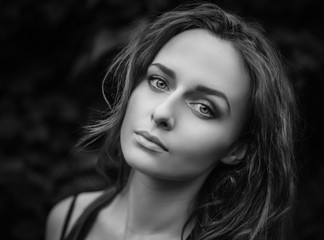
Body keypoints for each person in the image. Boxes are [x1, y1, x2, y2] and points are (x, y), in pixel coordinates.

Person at [46, 2, 298, 240]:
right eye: (159, 82)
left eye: (203, 107)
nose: (162, 113)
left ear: (237, 148)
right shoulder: (67, 219)